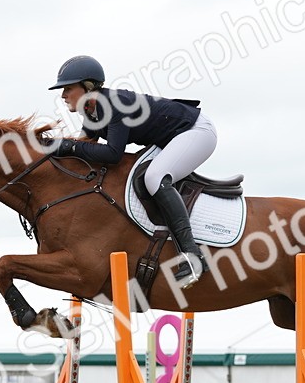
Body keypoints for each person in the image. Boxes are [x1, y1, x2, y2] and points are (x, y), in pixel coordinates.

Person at [50, 55, 215, 288]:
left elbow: (113, 154)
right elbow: (82, 150)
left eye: (68, 88)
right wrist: (52, 150)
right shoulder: (93, 111)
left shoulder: (113, 104)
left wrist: (70, 146)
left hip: (196, 132)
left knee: (155, 177)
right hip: (171, 138)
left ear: (87, 87)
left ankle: (192, 256)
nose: (63, 95)